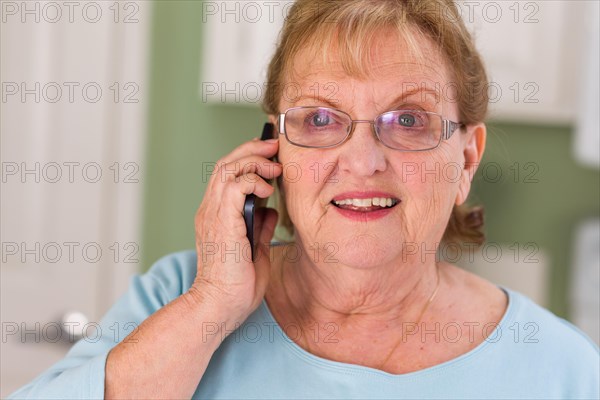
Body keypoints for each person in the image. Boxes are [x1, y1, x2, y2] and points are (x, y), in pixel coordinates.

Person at [10, 0, 599, 398]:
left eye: (410, 119)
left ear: (465, 158)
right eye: (320, 117)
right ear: (276, 149)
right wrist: (210, 308)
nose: (364, 160)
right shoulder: (180, 297)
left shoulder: (561, 369)